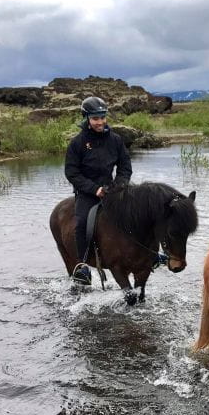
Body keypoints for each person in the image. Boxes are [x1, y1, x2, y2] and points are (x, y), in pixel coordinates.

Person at [64, 95, 132, 284]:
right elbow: (71, 172)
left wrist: (118, 186)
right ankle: (82, 265)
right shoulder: (77, 143)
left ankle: (150, 255)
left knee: (137, 212)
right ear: (86, 118)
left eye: (102, 117)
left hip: (113, 190)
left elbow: (125, 167)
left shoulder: (116, 140)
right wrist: (94, 189)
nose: (100, 122)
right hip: (88, 193)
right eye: (95, 118)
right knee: (81, 223)